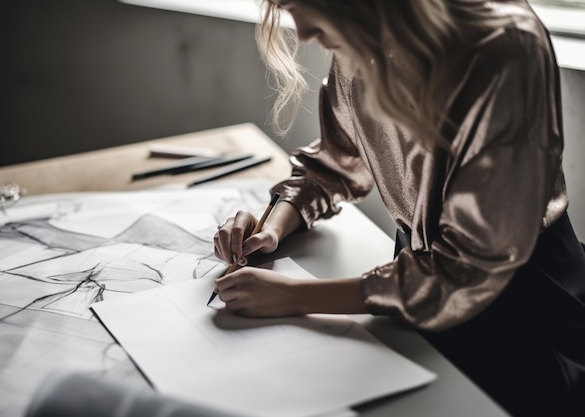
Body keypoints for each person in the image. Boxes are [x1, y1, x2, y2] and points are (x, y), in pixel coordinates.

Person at [214, 1, 585, 416]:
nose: (301, 33)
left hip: (524, 304)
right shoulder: (364, 31)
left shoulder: (503, 44)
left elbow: (468, 266)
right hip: (413, 288)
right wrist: (274, 227)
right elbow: (335, 163)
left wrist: (295, 297)